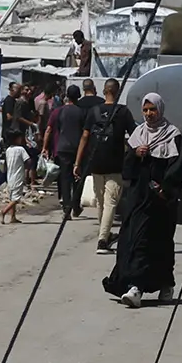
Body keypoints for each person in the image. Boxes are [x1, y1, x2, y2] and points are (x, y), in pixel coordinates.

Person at [101, 92, 182, 308]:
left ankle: (165, 284)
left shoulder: (173, 135)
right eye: (145, 110)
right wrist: (135, 153)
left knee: (160, 243)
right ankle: (134, 286)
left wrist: (166, 190)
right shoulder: (138, 134)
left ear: (160, 109)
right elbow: (127, 169)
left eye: (152, 109)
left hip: (161, 200)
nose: (149, 114)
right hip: (138, 198)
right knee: (135, 240)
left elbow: (176, 169)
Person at [77, 78, 137, 254]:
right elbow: (134, 136)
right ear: (117, 92)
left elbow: (85, 137)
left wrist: (78, 162)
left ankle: (106, 233)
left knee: (101, 201)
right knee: (111, 202)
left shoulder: (94, 111)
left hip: (95, 162)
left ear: (104, 91)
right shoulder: (123, 111)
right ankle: (103, 241)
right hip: (115, 163)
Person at [41, 84, 91, 220]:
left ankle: (66, 208)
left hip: (61, 148)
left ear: (67, 97)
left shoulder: (58, 111)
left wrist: (45, 147)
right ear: (78, 97)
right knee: (77, 177)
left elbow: (49, 130)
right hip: (77, 149)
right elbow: (86, 134)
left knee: (65, 178)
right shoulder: (82, 112)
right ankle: (75, 205)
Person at [0, 129, 30, 225]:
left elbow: (5, 164)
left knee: (12, 197)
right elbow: (28, 161)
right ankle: (4, 211)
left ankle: (13, 217)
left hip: (10, 177)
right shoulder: (21, 150)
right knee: (16, 199)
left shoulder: (8, 150)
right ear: (16, 139)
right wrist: (27, 171)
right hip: (18, 176)